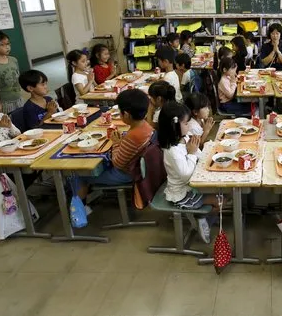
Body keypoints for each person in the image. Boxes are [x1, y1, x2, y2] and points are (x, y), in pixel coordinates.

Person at [77, 89, 154, 207]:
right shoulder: (145, 126)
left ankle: (81, 210)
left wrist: (116, 143)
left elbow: (118, 164)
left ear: (126, 114)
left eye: (120, 111)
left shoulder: (133, 135)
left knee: (79, 175)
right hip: (143, 170)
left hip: (128, 174)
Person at [158, 101, 217, 243]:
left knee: (223, 193)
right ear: (174, 125)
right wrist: (191, 153)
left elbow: (199, 156)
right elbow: (186, 176)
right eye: (185, 123)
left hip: (191, 185)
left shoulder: (183, 138)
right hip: (181, 193)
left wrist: (197, 152)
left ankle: (200, 217)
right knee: (220, 201)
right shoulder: (172, 150)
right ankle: (201, 220)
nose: (189, 126)